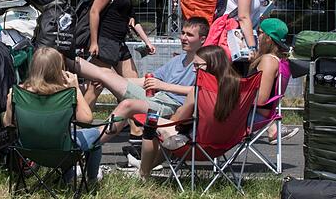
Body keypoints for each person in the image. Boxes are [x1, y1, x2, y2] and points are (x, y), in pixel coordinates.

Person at [66, 18, 209, 136]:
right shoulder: (178, 60)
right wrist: (112, 81)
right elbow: (145, 81)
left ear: (202, 39)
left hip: (173, 106)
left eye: (189, 35)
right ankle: (65, 57)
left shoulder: (205, 63)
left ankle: (92, 141)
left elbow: (200, 90)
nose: (183, 38)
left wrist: (163, 86)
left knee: (127, 104)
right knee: (105, 74)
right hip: (157, 99)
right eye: (182, 33)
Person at [3, 47, 103, 183]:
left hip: (28, 150)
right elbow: (87, 120)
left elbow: (8, 124)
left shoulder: (17, 93)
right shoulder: (66, 93)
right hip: (62, 151)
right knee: (94, 134)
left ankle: (68, 178)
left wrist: (9, 103)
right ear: (58, 69)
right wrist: (76, 89)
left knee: (66, 136)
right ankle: (92, 180)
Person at [137, 45, 239, 178]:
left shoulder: (197, 90)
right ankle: (146, 169)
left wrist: (174, 116)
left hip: (199, 144)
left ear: (212, 65)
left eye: (197, 66)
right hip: (227, 142)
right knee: (172, 132)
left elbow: (178, 121)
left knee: (151, 122)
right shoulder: (238, 86)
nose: (193, 69)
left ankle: (143, 174)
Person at [83, 0, 153, 108]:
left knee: (133, 90)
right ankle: (79, 120)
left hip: (119, 44)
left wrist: (147, 42)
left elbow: (132, 19)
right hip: (105, 43)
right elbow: (94, 12)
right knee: (95, 87)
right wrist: (94, 42)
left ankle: (132, 123)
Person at [248, 18, 300, 143]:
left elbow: (260, 100)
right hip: (259, 116)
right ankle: (273, 129)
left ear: (268, 38)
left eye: (260, 32)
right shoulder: (277, 60)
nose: (257, 36)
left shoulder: (268, 60)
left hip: (252, 117)